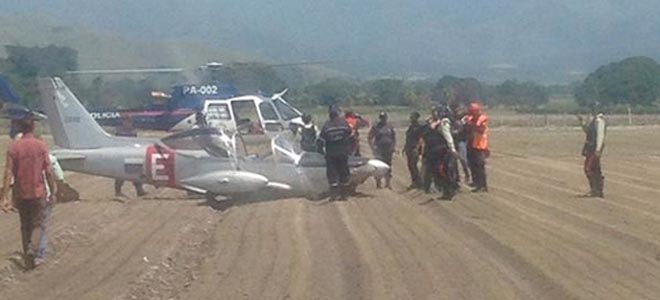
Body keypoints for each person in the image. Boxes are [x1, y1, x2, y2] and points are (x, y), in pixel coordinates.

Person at [1, 117, 57, 269]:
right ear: (32, 127)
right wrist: (53, 191)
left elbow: (8, 172)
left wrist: (4, 196)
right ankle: (33, 249)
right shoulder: (41, 146)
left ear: (20, 128)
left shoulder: (14, 147)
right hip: (38, 192)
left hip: (20, 193)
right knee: (39, 224)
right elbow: (49, 171)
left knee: (25, 225)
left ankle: (28, 258)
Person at [420, 106, 459, 200]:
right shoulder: (440, 123)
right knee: (443, 171)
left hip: (443, 151)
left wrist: (452, 149)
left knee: (444, 171)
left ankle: (449, 191)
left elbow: (447, 136)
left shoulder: (443, 123)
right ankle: (448, 191)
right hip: (440, 150)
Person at [320, 105, 352, 200]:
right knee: (344, 173)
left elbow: (321, 139)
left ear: (329, 114)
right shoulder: (344, 123)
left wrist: (321, 152)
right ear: (337, 113)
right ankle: (344, 195)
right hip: (343, 153)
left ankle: (333, 195)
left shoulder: (326, 125)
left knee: (332, 174)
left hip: (331, 154)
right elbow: (349, 133)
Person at [577, 103, 606, 198]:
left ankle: (595, 190)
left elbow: (601, 136)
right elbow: (587, 131)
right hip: (590, 147)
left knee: (589, 168)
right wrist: (582, 122)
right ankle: (597, 190)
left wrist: (598, 149)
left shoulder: (599, 121)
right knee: (595, 168)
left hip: (594, 148)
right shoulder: (594, 120)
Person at [114, 115, 147, 197]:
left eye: (129, 122)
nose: (128, 124)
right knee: (120, 174)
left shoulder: (133, 131)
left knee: (136, 172)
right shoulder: (120, 131)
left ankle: (139, 190)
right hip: (121, 154)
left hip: (131, 154)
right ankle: (118, 191)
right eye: (127, 121)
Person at [466, 101, 489, 193]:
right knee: (472, 165)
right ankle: (476, 183)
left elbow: (481, 130)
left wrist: (471, 124)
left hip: (480, 145)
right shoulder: (471, 118)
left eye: (472, 111)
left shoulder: (483, 118)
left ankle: (483, 185)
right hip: (472, 144)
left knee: (480, 166)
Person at [368, 112, 396, 189]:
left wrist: (393, 147)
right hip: (379, 149)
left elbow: (393, 137)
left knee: (388, 166)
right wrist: (373, 147)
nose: (383, 119)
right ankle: (378, 183)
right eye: (381, 117)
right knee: (379, 166)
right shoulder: (376, 127)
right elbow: (369, 137)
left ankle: (388, 183)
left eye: (384, 117)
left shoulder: (390, 127)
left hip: (388, 149)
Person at [403, 111, 423, 190]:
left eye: (412, 117)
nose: (411, 118)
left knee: (414, 165)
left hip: (414, 148)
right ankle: (414, 181)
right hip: (409, 148)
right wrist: (405, 147)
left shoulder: (419, 127)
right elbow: (408, 138)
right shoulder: (411, 127)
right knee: (410, 165)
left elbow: (421, 139)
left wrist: (417, 148)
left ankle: (419, 182)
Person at [451, 103, 471, 185]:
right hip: (455, 141)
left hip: (461, 141)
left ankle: (467, 175)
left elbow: (461, 131)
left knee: (463, 159)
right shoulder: (454, 120)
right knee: (453, 160)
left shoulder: (464, 121)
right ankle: (457, 177)